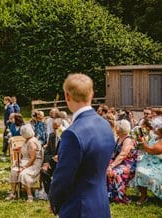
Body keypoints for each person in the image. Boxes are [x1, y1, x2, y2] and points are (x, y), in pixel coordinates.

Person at [49, 73, 114, 217]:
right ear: (92, 94)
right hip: (101, 203)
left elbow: (63, 178)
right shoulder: (105, 125)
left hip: (78, 207)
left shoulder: (72, 133)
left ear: (67, 96)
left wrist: (54, 201)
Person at [7, 124, 42, 202]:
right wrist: (19, 149)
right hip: (26, 161)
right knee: (14, 171)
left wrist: (24, 167)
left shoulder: (32, 142)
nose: (21, 134)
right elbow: (26, 150)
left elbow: (33, 158)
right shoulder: (27, 140)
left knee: (23, 174)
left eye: (22, 133)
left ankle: (29, 195)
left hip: (34, 163)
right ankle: (13, 193)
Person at [106, 119, 137, 203]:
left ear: (121, 129)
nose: (115, 128)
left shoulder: (128, 140)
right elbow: (114, 153)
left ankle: (120, 196)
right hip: (119, 162)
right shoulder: (119, 138)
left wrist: (111, 166)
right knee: (102, 168)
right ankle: (108, 194)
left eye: (117, 127)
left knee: (114, 172)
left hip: (128, 164)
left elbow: (122, 155)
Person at [133, 117, 162, 203]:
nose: (154, 128)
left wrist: (143, 142)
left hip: (157, 163)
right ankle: (144, 195)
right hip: (148, 159)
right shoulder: (156, 136)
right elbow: (149, 145)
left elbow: (150, 150)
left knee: (141, 171)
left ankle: (147, 194)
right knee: (138, 169)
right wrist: (144, 140)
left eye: (156, 128)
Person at [40, 119, 62, 200]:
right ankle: (49, 193)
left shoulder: (66, 137)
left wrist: (59, 156)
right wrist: (46, 162)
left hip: (62, 163)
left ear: (61, 127)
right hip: (52, 162)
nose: (55, 130)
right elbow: (47, 151)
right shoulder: (51, 136)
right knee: (43, 172)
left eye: (56, 128)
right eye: (53, 128)